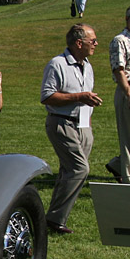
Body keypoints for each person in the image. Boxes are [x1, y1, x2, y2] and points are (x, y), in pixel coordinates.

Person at [41, 24, 103, 235]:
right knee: (79, 169)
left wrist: (88, 126)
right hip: (61, 123)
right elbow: (47, 97)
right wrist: (80, 97)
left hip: (83, 125)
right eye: (92, 40)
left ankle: (52, 219)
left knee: (69, 172)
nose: (96, 44)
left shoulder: (88, 66)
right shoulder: (57, 64)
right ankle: (55, 220)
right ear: (79, 43)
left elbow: (87, 97)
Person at [106, 6, 130, 183]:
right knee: (128, 138)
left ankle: (117, 164)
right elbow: (118, 70)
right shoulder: (120, 40)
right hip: (127, 91)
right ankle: (128, 179)